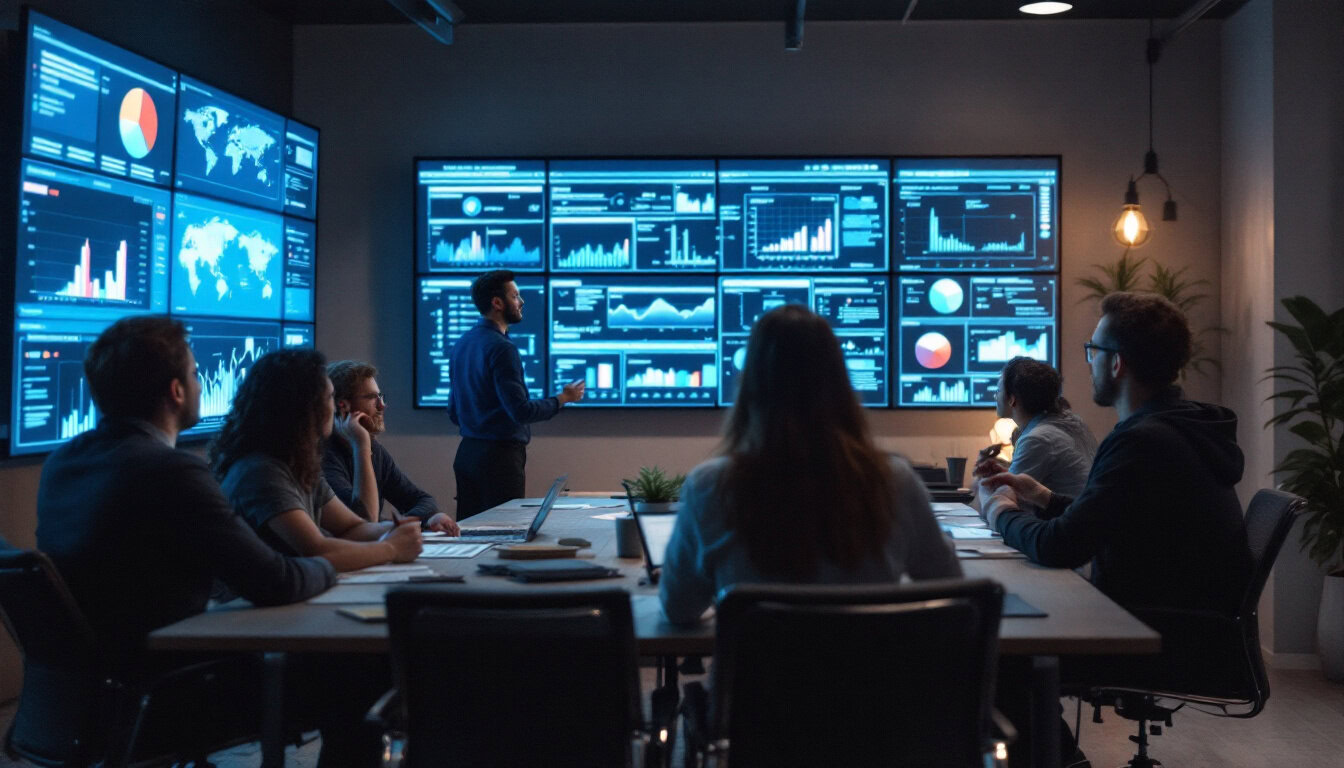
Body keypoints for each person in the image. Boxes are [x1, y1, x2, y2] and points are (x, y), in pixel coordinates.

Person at [29, 316, 337, 762]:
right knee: (355, 673)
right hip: (171, 693)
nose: (198, 382)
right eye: (195, 374)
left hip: (77, 701)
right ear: (176, 392)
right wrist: (334, 563)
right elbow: (279, 582)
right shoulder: (171, 471)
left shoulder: (63, 462)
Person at [978, 292, 1252, 767]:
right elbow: (1113, 517)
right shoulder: (1174, 428)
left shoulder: (1143, 440)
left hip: (1158, 634)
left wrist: (1001, 511)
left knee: (989, 654)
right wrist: (1041, 497)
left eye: (1093, 351)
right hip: (1183, 624)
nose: (1089, 364)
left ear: (1117, 363)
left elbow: (1061, 545)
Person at [660, 305, 961, 626]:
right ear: (840, 383)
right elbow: (953, 591)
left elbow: (679, 610)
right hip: (869, 677)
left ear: (751, 386)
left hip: (757, 678)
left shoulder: (710, 486)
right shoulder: (894, 482)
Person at [211, 349, 423, 572]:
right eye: (330, 398)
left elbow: (351, 527)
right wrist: (392, 548)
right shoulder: (260, 471)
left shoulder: (296, 462)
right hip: (251, 605)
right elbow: (316, 551)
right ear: (303, 406)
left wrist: (395, 530)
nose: (335, 407)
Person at [448, 270, 585, 519]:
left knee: (469, 533)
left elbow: (454, 411)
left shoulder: (462, 343)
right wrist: (564, 398)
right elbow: (520, 411)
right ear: (497, 303)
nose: (521, 302)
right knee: (502, 532)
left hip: (467, 455)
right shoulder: (502, 348)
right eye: (515, 296)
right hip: (499, 461)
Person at [324, 359, 459, 534]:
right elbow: (363, 520)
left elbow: (422, 500)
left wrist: (427, 518)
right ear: (343, 406)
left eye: (381, 397)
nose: (382, 405)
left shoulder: (375, 450)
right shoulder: (322, 457)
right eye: (373, 398)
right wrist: (361, 447)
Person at [972, 357, 1097, 511]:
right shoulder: (1074, 423)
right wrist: (1003, 473)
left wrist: (982, 483)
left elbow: (1006, 504)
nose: (996, 397)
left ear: (1012, 399)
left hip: (1064, 530)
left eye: (998, 391)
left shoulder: (1037, 439)